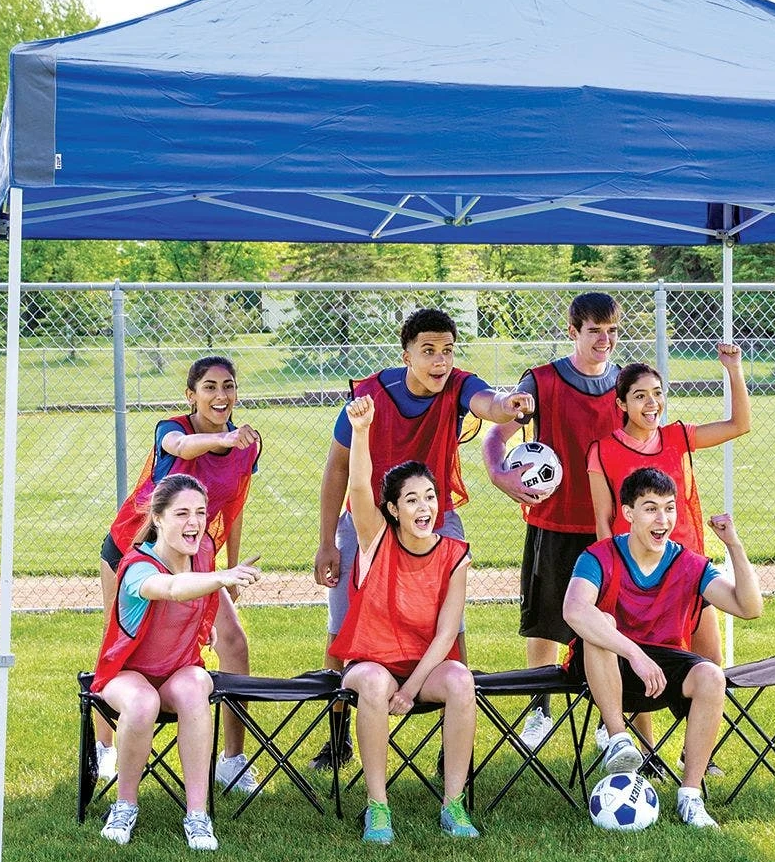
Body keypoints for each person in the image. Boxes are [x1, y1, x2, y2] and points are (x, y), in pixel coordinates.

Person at [309, 307, 533, 771]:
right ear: (406, 354)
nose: (439, 360)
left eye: (447, 350)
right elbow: (336, 469)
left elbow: (487, 403)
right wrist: (328, 540)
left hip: (434, 513)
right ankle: (337, 738)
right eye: (428, 351)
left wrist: (507, 405)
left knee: (453, 627)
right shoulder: (370, 396)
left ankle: (455, 744)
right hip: (371, 517)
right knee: (342, 626)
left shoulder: (458, 384)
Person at [95, 356, 262, 795]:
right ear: (191, 395)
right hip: (134, 549)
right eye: (209, 387)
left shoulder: (248, 444)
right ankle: (104, 748)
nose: (221, 395)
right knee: (122, 641)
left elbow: (234, 504)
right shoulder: (170, 428)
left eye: (228, 386)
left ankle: (233, 759)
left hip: (193, 554)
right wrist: (223, 437)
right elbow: (182, 447)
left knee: (233, 641)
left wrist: (230, 569)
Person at [562, 468, 762, 829]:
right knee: (600, 623)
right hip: (602, 668)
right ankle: (619, 740)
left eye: (669, 508)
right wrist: (634, 654)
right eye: (651, 509)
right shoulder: (598, 556)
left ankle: (690, 796)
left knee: (711, 676)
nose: (663, 519)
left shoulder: (687, 562)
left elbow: (749, 608)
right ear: (628, 513)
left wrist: (733, 544)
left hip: (659, 672)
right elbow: (574, 610)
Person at [328, 395, 480, 844]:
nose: (424, 507)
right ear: (393, 510)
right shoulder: (376, 538)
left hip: (422, 669)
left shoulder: (455, 554)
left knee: (461, 680)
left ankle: (453, 804)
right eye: (411, 500)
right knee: (375, 684)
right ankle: (378, 807)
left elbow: (447, 633)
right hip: (371, 663)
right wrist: (360, 432)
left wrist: (412, 688)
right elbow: (359, 488)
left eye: (430, 497)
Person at [481, 291, 622, 750]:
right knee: (545, 623)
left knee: (608, 623)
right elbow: (496, 436)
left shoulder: (625, 384)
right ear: (572, 331)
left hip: (608, 528)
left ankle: (608, 719)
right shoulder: (541, 381)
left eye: (612, 331)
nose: (605, 340)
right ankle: (539, 711)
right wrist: (499, 475)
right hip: (554, 521)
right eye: (594, 331)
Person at [93, 473, 263, 851]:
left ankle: (197, 814)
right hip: (126, 674)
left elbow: (197, 604)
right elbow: (170, 589)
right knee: (143, 702)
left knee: (195, 686)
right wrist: (222, 576)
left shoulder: (202, 555)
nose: (194, 522)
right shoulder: (139, 565)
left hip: (177, 672)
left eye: (200, 512)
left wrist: (204, 627)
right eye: (182, 513)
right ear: (158, 518)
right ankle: (124, 806)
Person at [586, 345, 751, 672]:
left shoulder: (679, 437)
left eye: (657, 393)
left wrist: (733, 369)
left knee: (710, 663)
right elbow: (604, 521)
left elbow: (739, 425)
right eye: (640, 396)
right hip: (635, 574)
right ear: (621, 404)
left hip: (685, 567)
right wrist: (612, 578)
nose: (652, 403)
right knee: (638, 665)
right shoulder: (602, 451)